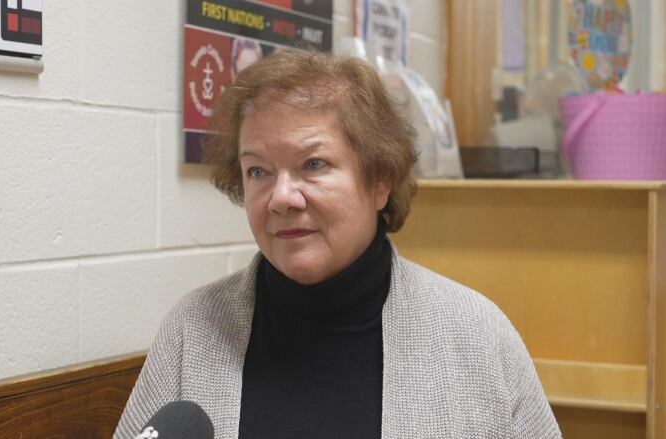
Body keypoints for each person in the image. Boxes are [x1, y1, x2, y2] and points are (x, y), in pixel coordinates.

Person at [115, 51, 561, 438]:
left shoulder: (477, 336)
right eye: (258, 171)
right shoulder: (191, 333)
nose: (282, 197)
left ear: (379, 179)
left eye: (313, 164)